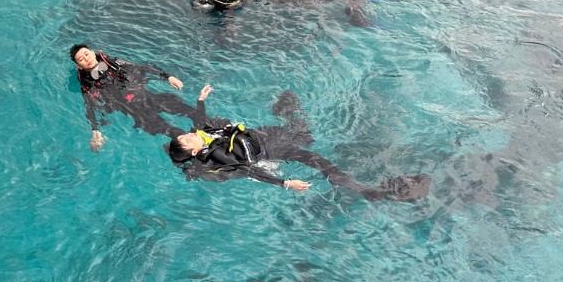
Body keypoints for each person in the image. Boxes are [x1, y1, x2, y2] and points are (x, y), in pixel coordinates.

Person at [166, 89, 431, 202]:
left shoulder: (202, 136)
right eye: (187, 140)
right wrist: (285, 183)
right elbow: (250, 171)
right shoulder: (219, 155)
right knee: (316, 159)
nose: (189, 135)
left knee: (292, 110)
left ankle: (295, 121)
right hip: (271, 150)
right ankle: (370, 191)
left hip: (265, 135)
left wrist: (200, 100)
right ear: (193, 151)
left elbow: (198, 121)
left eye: (186, 136)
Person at [70, 44, 206, 152]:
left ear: (92, 52)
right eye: (81, 59)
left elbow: (142, 67)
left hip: (147, 96)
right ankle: (195, 149)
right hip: (134, 110)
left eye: (86, 54)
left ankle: (210, 131)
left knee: (189, 111)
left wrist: (167, 77)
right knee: (170, 131)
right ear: (78, 66)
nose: (86, 58)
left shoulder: (111, 61)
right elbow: (89, 106)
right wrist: (95, 130)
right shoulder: (86, 83)